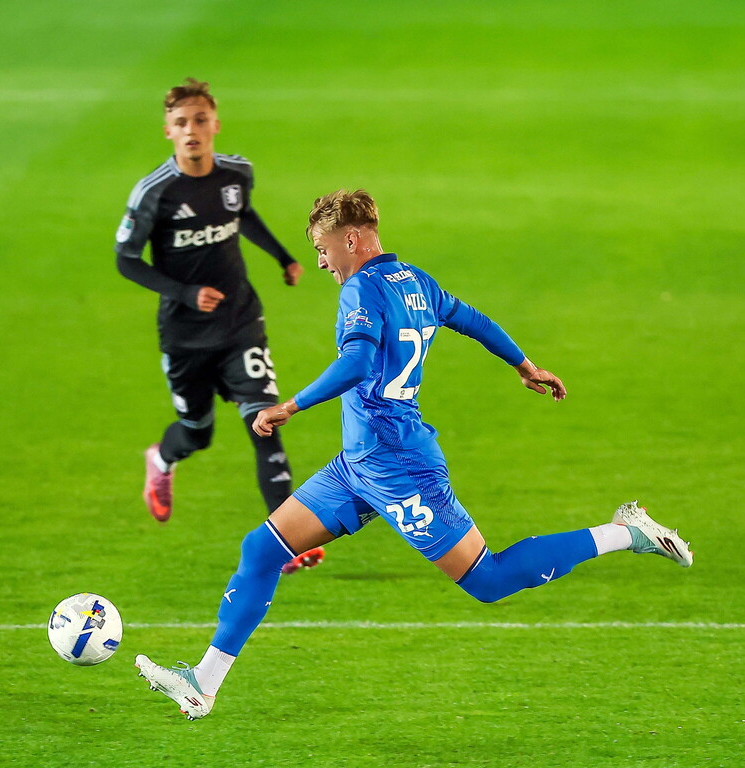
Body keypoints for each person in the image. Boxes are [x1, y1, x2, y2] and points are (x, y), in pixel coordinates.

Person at [133, 189, 694, 719]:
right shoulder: (415, 281)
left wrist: (291, 406)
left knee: (488, 579)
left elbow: (356, 363)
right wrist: (523, 365)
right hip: (359, 464)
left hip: (398, 465)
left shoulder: (361, 290)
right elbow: (472, 319)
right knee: (261, 549)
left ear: (351, 240)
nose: (324, 263)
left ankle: (628, 532)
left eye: (324, 250)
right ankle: (204, 682)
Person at [114, 78, 323, 569]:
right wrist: (186, 293)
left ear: (215, 126)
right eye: (182, 122)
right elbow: (126, 258)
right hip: (185, 335)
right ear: (168, 130)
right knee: (197, 431)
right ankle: (161, 460)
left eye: (200, 121)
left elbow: (241, 214)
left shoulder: (237, 173)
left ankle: (285, 541)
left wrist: (283, 257)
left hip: (240, 322)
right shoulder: (154, 193)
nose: (192, 131)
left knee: (264, 421)